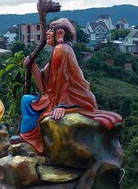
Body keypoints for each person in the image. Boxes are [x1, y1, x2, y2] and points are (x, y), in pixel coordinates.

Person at [11, 18, 122, 154]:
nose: (47, 33)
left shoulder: (61, 49)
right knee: (27, 101)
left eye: (51, 29)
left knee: (27, 101)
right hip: (55, 98)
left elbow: (64, 80)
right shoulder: (58, 51)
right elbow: (45, 86)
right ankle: (30, 137)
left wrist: (62, 105)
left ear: (60, 34)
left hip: (73, 99)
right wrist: (32, 65)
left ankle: (30, 138)